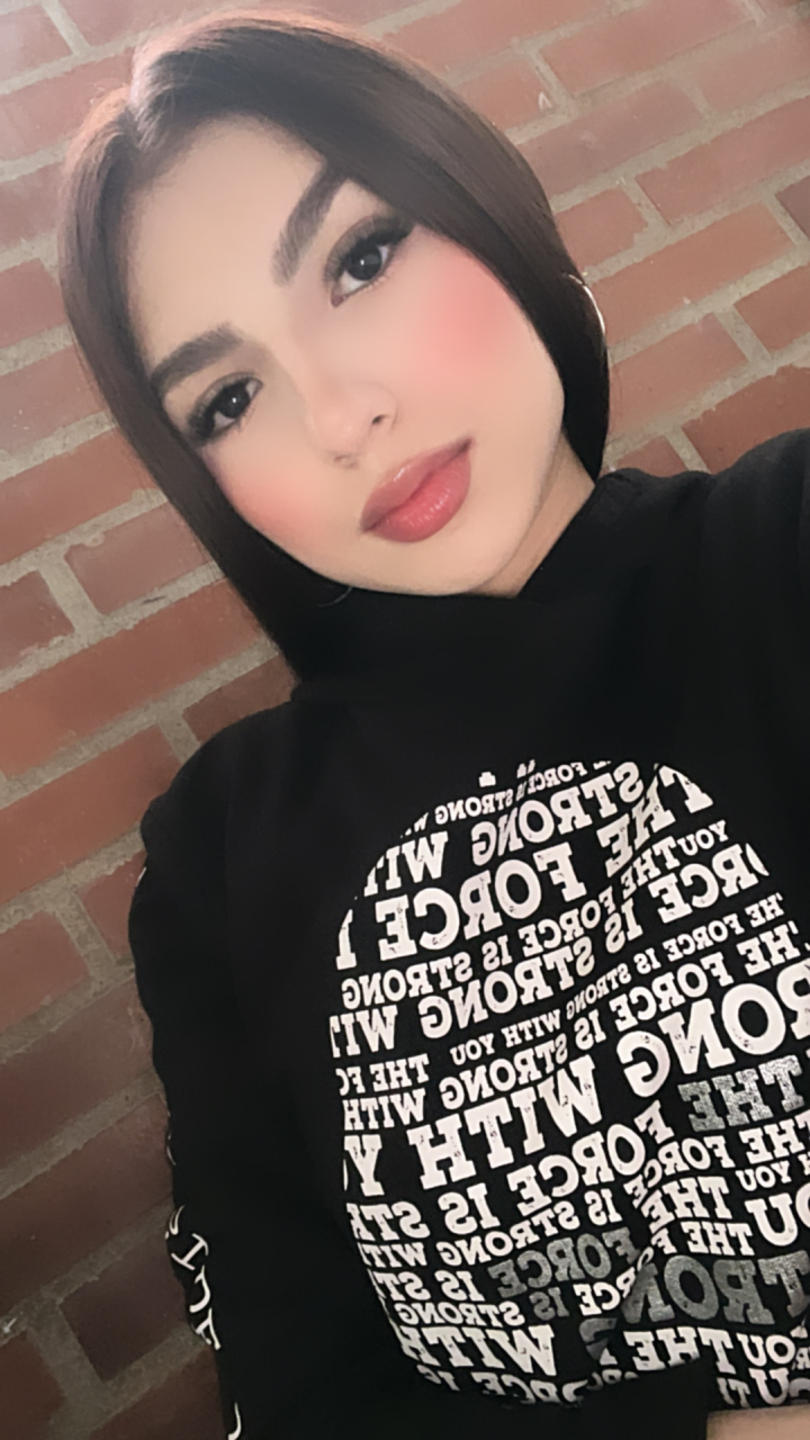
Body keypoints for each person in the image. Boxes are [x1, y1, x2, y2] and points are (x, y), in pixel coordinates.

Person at [57, 8, 810, 1439]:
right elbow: (303, 1395)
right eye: (228, 396)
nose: (339, 415)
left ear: (483, 203)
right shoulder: (220, 860)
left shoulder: (783, 553)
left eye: (359, 260)